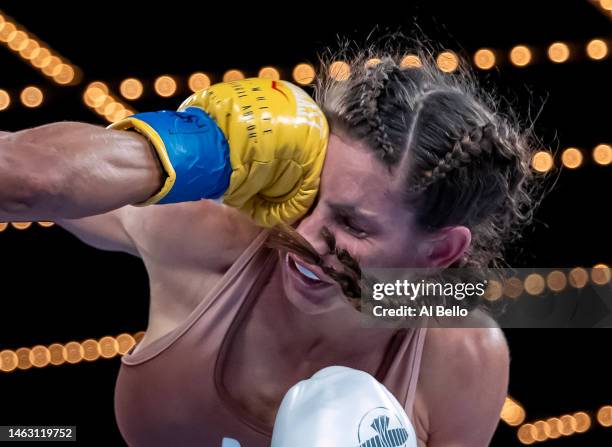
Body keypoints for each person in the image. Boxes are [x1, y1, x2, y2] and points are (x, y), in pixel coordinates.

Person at [0, 43, 541, 446]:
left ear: (440, 253)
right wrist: (197, 146)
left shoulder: (460, 354)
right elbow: (24, 184)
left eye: (353, 225)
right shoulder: (212, 228)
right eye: (307, 193)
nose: (303, 235)